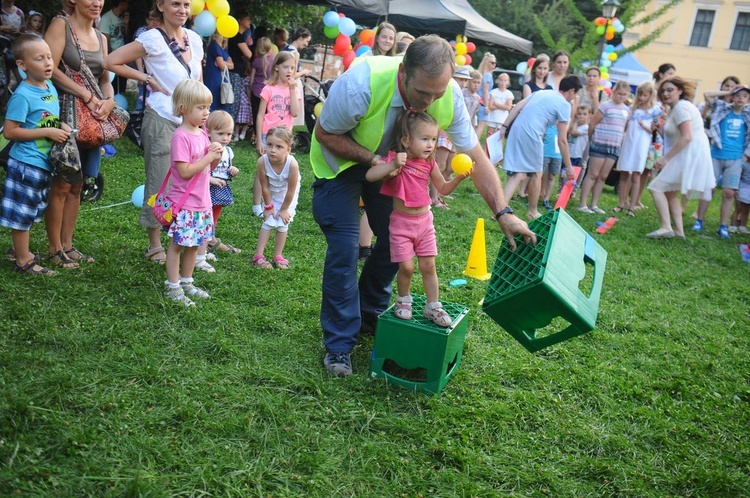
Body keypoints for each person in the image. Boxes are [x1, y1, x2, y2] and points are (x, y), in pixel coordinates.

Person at [310, 35, 535, 377]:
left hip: (393, 172)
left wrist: (504, 212)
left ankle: (369, 314)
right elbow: (326, 133)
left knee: (398, 242)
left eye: (437, 94)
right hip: (342, 164)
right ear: (403, 72)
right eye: (421, 93)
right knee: (344, 249)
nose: (428, 102)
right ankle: (340, 345)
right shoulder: (362, 84)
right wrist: (376, 160)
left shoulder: (450, 97)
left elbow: (475, 156)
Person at [105, 0, 204, 265]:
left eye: (186, 4)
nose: (182, 10)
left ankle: (184, 237)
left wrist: (202, 116)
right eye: (175, 4)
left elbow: (199, 82)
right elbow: (111, 61)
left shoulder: (194, 38)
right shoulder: (151, 39)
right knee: (160, 182)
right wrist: (147, 79)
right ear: (160, 5)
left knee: (190, 183)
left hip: (190, 124)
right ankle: (154, 244)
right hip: (161, 119)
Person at [365, 111, 469, 326]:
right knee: (407, 268)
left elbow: (442, 188)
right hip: (401, 224)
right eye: (424, 139)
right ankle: (404, 300)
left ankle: (433, 307)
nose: (430, 144)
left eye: (433, 139)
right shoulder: (396, 159)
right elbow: (370, 176)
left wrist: (458, 178)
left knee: (428, 266)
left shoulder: (429, 163)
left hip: (425, 223)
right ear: (406, 141)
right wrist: (393, 165)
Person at [44, 0, 115, 269]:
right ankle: (54, 249)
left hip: (93, 119)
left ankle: (68, 245)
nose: (97, 2)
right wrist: (86, 94)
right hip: (64, 114)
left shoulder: (101, 36)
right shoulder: (60, 24)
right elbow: (49, 69)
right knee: (62, 183)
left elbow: (105, 78)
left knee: (79, 183)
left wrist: (108, 101)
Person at [1, 35, 70, 275]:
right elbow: (10, 131)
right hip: (25, 164)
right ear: (22, 65)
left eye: (49, 57)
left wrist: (60, 127)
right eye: (39, 59)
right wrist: (47, 131)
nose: (48, 63)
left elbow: (46, 118)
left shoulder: (49, 86)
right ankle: (23, 261)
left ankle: (20, 251)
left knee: (32, 210)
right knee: (22, 214)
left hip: (42, 164)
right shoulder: (22, 95)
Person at [162, 79, 222, 305]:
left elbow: (205, 170)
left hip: (202, 201)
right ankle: (173, 287)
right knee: (177, 245)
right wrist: (208, 157)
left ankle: (187, 281)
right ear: (182, 108)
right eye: (200, 107)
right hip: (185, 203)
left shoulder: (201, 133)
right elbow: (185, 171)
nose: (206, 113)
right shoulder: (181, 136)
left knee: (194, 244)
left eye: (208, 107)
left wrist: (214, 157)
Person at [499, 74, 582, 220]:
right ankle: (532, 211)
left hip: (516, 128)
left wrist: (504, 126)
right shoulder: (564, 104)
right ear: (571, 91)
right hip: (531, 133)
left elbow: (518, 106)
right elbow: (562, 140)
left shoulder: (543, 92)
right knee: (537, 173)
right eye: (575, 94)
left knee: (520, 173)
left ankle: (500, 208)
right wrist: (569, 167)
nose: (574, 97)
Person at [646, 76, 715, 239]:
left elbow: (687, 137)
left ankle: (665, 227)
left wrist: (665, 159)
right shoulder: (677, 108)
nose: (666, 93)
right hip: (689, 153)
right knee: (670, 193)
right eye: (663, 91)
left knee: (655, 188)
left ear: (680, 91)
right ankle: (679, 232)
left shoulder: (681, 108)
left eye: (670, 90)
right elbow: (678, 136)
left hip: (689, 154)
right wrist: (661, 128)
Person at [693, 85, 750, 238]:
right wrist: (729, 92)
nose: (740, 98)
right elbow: (707, 93)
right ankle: (699, 220)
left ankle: (723, 226)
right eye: (738, 95)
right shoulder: (723, 108)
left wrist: (746, 154)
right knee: (708, 189)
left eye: (744, 96)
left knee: (729, 193)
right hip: (716, 154)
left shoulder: (747, 114)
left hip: (735, 158)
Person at [577, 80, 631, 214]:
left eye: (624, 95)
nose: (621, 97)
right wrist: (592, 139)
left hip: (614, 146)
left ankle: (594, 204)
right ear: (614, 92)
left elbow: (625, 127)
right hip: (600, 143)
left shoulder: (626, 110)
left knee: (603, 176)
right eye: (619, 94)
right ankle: (582, 203)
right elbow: (592, 124)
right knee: (593, 174)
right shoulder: (605, 106)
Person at [252, 126, 300, 270]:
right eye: (270, 145)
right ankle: (258, 256)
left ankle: (278, 255)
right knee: (269, 221)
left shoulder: (292, 165)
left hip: (288, 193)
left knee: (282, 222)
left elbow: (291, 191)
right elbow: (264, 186)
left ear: (288, 150)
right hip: (271, 190)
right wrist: (268, 207)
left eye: (279, 147)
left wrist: (284, 209)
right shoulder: (262, 161)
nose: (273, 150)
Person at [615, 81, 661, 217]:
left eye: (644, 95)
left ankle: (633, 206)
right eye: (640, 94)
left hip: (641, 145)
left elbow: (654, 130)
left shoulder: (654, 110)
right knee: (624, 174)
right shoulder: (632, 108)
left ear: (650, 95)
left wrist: (643, 125)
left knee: (636, 175)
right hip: (629, 143)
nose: (641, 98)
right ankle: (621, 203)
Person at [205, 110, 241, 258]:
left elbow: (227, 167)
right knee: (206, 214)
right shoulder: (207, 148)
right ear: (208, 132)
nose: (225, 138)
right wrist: (211, 179)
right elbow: (201, 170)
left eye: (229, 134)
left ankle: (210, 238)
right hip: (208, 186)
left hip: (221, 186)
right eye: (220, 134)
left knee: (215, 214)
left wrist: (233, 170)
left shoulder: (228, 151)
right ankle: (205, 242)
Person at [254, 51, 301, 155]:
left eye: (292, 68)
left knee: (282, 168)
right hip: (267, 134)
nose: (289, 71)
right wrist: (259, 139)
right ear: (276, 67)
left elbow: (295, 113)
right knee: (265, 166)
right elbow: (260, 115)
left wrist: (292, 90)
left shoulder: (295, 90)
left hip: (284, 136)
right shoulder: (268, 89)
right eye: (285, 67)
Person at [226, 11, 254, 138]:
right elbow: (248, 54)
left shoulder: (238, 37)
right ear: (240, 20)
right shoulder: (237, 36)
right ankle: (229, 130)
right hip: (235, 72)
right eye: (247, 19)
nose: (250, 22)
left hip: (236, 71)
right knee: (234, 102)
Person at [99, 0, 128, 94]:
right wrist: (111, 55)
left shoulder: (123, 17)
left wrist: (127, 24)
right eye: (126, 3)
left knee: (123, 78)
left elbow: (125, 35)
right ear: (121, 3)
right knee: (112, 81)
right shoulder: (106, 18)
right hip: (112, 53)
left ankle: (122, 94)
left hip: (123, 53)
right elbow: (105, 39)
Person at [204, 32, 233, 112]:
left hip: (222, 79)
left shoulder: (224, 48)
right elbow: (222, 66)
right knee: (213, 105)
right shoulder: (214, 45)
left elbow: (231, 65)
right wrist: (225, 64)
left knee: (223, 104)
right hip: (214, 78)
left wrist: (225, 63)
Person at [474, 52, 497, 139]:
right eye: (492, 62)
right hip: (483, 103)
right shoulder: (488, 75)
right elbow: (485, 91)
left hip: (478, 101)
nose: (494, 64)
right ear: (487, 63)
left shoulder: (482, 74)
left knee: (475, 125)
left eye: (495, 63)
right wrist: (487, 106)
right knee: (480, 126)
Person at [486, 72, 514, 137]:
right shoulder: (493, 92)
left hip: (502, 119)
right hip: (492, 118)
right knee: (489, 136)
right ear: (498, 81)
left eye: (505, 80)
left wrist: (495, 104)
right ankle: (486, 148)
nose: (502, 82)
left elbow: (508, 107)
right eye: (501, 80)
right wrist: (502, 106)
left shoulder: (509, 94)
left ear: (508, 82)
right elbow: (490, 106)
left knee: (499, 137)